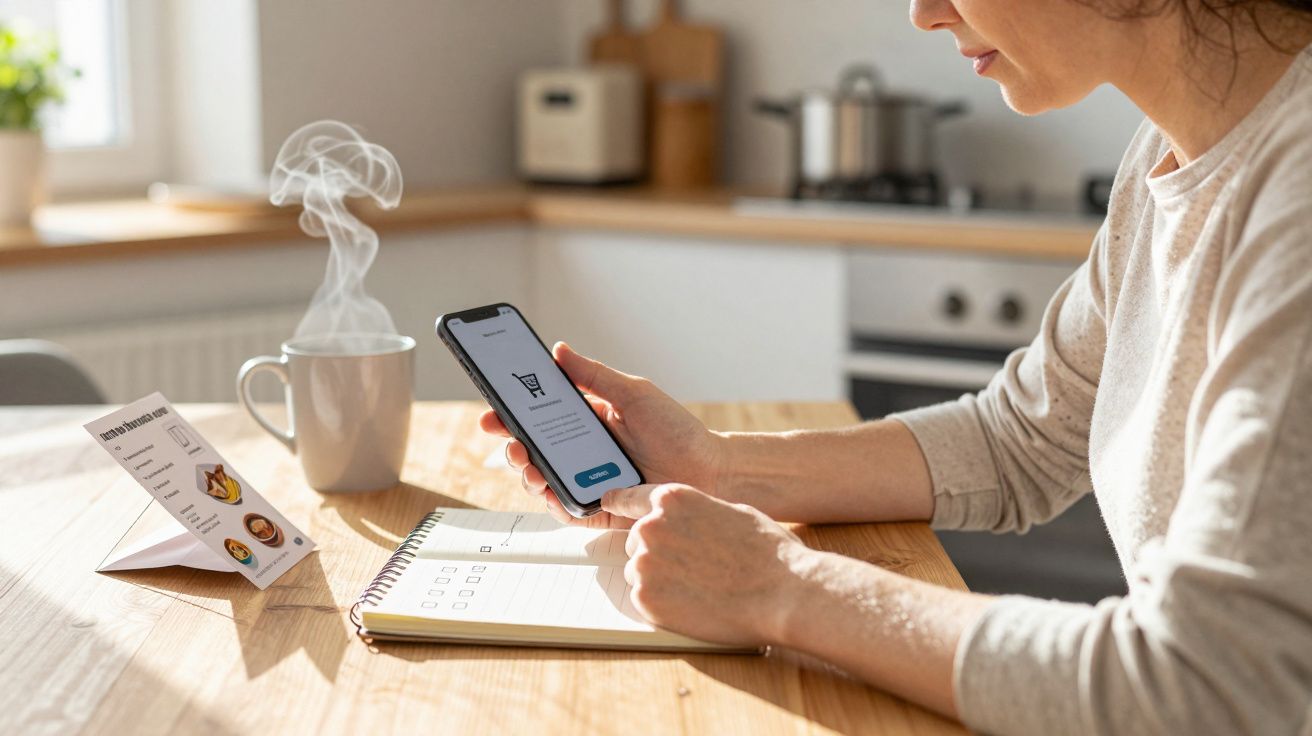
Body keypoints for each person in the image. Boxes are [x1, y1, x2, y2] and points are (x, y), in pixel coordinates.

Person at [480, 1, 1312, 733]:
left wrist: (781, 586)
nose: (922, 11)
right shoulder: (1170, 149)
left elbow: (1202, 690)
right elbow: (1020, 437)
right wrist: (722, 465)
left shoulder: (1296, 200)